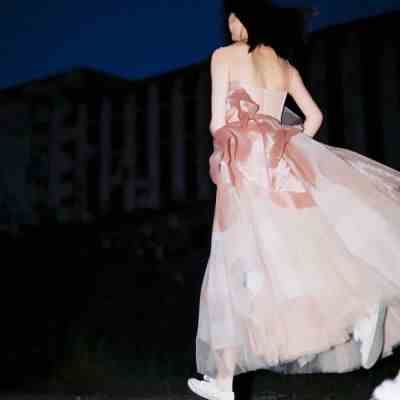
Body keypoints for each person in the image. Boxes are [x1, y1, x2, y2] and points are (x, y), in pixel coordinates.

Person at [188, 1, 400, 400]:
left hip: (244, 175)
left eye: (233, 16)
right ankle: (364, 308)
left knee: (238, 272)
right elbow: (314, 118)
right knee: (300, 259)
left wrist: (236, 145)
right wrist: (283, 142)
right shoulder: (285, 67)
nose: (229, 25)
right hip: (284, 172)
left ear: (246, 17)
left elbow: (217, 124)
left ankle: (224, 380)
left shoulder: (224, 57)